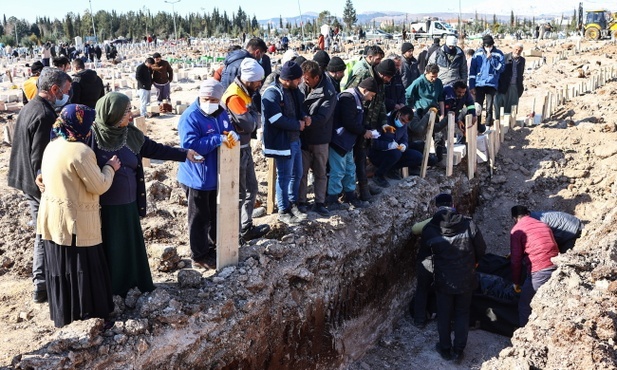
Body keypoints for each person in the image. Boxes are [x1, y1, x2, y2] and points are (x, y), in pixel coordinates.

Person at [91, 92, 202, 296]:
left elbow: (155, 149)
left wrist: (183, 154)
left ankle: (135, 283)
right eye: (126, 111)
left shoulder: (130, 134)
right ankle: (114, 290)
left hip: (130, 205)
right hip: (106, 209)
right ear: (112, 113)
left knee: (130, 247)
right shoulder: (92, 138)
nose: (131, 114)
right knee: (113, 247)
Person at [37, 104, 120, 327]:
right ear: (80, 124)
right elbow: (99, 185)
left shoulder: (52, 145)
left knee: (61, 271)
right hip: (77, 225)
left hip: (54, 221)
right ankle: (88, 319)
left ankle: (64, 317)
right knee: (83, 271)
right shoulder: (81, 152)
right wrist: (111, 167)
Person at [8, 67, 72, 303]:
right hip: (37, 185)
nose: (67, 94)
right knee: (45, 232)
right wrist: (46, 183)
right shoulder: (45, 116)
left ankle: (42, 282)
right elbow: (39, 158)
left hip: (23, 179)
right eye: (65, 90)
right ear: (54, 89)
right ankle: (42, 285)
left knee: (42, 231)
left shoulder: (29, 107)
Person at [177, 79, 235, 269]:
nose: (209, 102)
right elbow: (190, 146)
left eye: (213, 99)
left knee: (212, 215)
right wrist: (216, 139)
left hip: (216, 174)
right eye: (206, 98)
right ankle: (199, 255)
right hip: (197, 176)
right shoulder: (191, 116)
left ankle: (211, 248)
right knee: (199, 217)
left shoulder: (221, 112)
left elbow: (227, 129)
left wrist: (230, 135)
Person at [422, 193, 486, 363]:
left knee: (444, 314)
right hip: (466, 277)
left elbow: (425, 257)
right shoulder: (468, 223)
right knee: (462, 313)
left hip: (444, 280)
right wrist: (474, 263)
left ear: (436, 207)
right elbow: (481, 248)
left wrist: (434, 273)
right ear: (453, 204)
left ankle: (445, 349)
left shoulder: (429, 229)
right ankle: (458, 351)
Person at [220, 59, 271, 242]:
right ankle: (234, 233)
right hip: (235, 150)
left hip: (244, 147)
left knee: (252, 188)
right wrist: (252, 119)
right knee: (240, 192)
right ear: (249, 79)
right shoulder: (235, 96)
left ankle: (245, 226)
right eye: (257, 82)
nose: (259, 85)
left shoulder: (243, 91)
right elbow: (248, 123)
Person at [261, 61, 311, 226]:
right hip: (282, 142)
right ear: (289, 79)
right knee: (284, 176)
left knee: (298, 173)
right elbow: (275, 119)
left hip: (294, 139)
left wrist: (303, 116)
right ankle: (283, 210)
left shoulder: (293, 90)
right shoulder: (272, 93)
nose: (300, 82)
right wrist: (297, 125)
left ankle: (292, 203)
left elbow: (298, 108)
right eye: (298, 79)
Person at [326, 78, 377, 210]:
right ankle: (332, 200)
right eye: (371, 95)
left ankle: (350, 196)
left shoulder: (356, 98)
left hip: (348, 142)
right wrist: (364, 131)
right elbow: (348, 122)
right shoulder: (348, 98)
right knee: (338, 171)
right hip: (339, 141)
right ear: (365, 90)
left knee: (350, 170)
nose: (370, 99)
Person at [298, 59, 337, 217]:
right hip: (303, 138)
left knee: (320, 172)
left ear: (316, 77)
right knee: (301, 172)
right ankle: (301, 201)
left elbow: (323, 117)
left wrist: (308, 120)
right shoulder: (301, 87)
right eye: (303, 78)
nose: (305, 81)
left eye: (307, 79)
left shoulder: (328, 92)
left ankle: (319, 202)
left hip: (320, 137)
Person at [510, 205, 559, 326]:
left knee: (524, 304)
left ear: (514, 218)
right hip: (558, 265)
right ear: (528, 213)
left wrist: (516, 282)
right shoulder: (542, 224)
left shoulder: (516, 230)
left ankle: (525, 338)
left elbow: (516, 260)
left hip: (541, 269)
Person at [369, 106, 423, 187]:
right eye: (402, 120)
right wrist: (388, 145)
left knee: (417, 156)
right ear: (398, 113)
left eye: (405, 122)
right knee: (396, 154)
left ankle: (391, 169)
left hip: (395, 153)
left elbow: (404, 138)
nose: (403, 123)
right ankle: (378, 175)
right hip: (378, 154)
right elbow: (372, 143)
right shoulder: (384, 121)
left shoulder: (403, 126)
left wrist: (404, 145)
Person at [469, 35, 504, 127]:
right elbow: (472, 71)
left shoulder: (498, 54)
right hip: (479, 83)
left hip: (491, 83)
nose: (488, 48)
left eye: (490, 46)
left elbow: (501, 69)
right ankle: (478, 126)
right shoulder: (477, 54)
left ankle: (488, 124)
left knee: (489, 106)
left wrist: (492, 59)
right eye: (486, 46)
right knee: (478, 106)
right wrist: (471, 86)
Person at [495, 43, 525, 121]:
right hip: (503, 85)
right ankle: (498, 121)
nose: (517, 52)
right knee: (500, 103)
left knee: (512, 104)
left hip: (514, 85)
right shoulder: (504, 58)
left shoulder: (522, 60)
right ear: (513, 49)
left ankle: (510, 122)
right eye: (516, 49)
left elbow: (521, 73)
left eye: (519, 50)